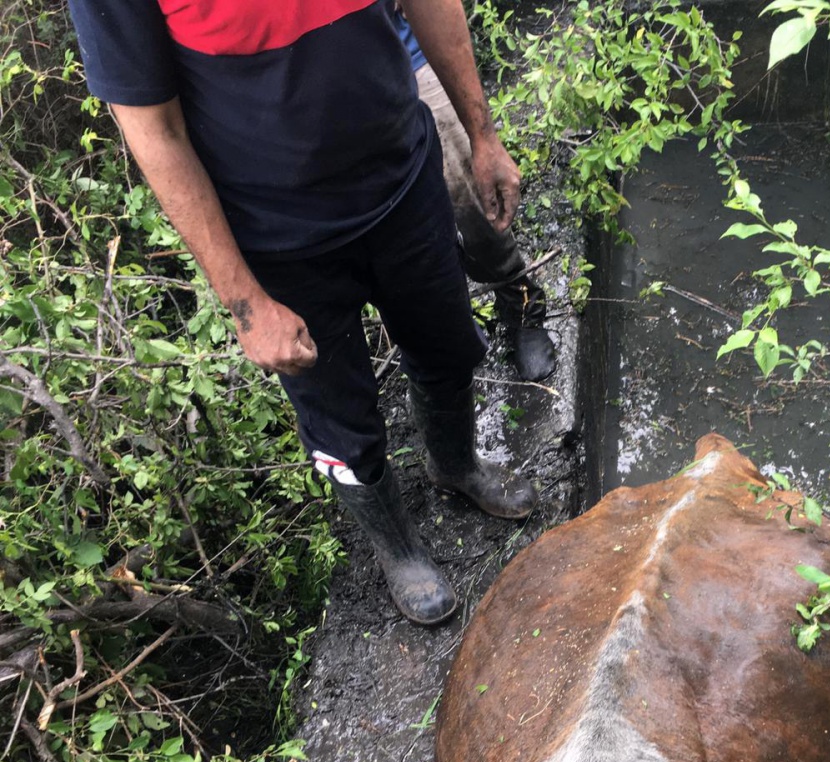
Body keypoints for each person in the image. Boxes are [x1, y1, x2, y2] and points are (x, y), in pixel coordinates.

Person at [67, 0, 536, 627]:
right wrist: (245, 304)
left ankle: (456, 466)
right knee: (338, 418)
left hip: (402, 175)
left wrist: (482, 136)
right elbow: (155, 130)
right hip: (277, 239)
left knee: (447, 345)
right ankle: (398, 549)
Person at [395, 12, 557, 383]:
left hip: (409, 56)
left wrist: (484, 137)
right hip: (310, 100)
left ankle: (520, 302)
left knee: (466, 199)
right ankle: (441, 328)